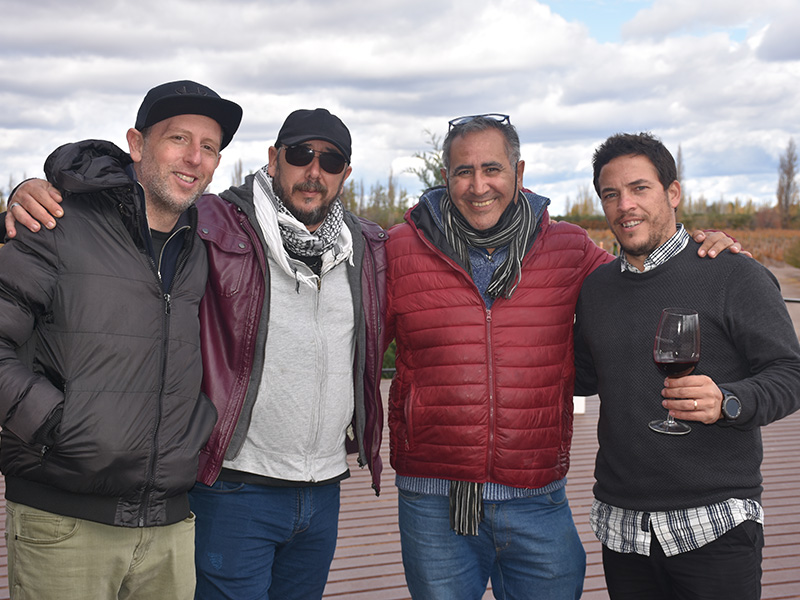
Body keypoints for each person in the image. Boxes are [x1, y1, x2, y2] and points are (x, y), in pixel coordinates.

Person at [6, 107, 387, 600]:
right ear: (273, 159)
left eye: (331, 161)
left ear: (346, 175)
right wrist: (25, 196)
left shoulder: (370, 248)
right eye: (300, 154)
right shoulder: (213, 222)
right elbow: (138, 197)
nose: (314, 171)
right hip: (234, 486)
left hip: (324, 487)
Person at [383, 114, 742, 600]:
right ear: (446, 179)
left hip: (535, 494)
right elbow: (353, 341)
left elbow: (640, 279)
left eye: (492, 168)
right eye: (462, 172)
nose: (478, 185)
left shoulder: (568, 246)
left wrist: (699, 245)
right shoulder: (400, 248)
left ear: (519, 172)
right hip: (432, 496)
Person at [0, 80, 242, 600]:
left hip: (170, 526)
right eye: (179, 138)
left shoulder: (200, 247)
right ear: (136, 144)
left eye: (209, 147)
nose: (194, 158)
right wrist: (55, 427)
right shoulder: (54, 223)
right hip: (64, 521)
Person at [573, 132, 800, 600]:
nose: (624, 205)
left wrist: (729, 401)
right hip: (625, 528)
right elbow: (580, 376)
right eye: (610, 194)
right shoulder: (596, 290)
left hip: (712, 524)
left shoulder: (733, 273)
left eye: (639, 188)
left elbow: (789, 373)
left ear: (672, 193)